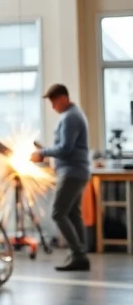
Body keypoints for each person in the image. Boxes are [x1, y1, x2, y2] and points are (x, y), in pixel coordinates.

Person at [32, 83, 91, 271]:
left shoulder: (70, 117)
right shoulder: (73, 114)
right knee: (73, 214)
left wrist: (42, 153)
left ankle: (79, 255)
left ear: (63, 98)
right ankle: (80, 255)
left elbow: (65, 148)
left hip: (72, 173)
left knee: (58, 213)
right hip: (77, 171)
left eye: (54, 102)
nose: (52, 107)